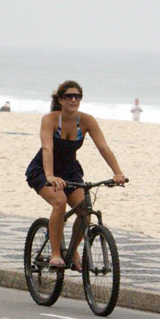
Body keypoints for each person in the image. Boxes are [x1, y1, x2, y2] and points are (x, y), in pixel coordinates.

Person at [25, 80, 125, 271]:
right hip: (43, 169)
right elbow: (47, 148)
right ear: (61, 99)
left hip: (70, 171)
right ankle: (55, 253)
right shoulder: (51, 119)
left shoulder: (87, 121)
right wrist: (50, 176)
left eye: (77, 96)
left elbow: (103, 147)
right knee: (59, 201)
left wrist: (117, 172)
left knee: (85, 211)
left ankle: (72, 251)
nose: (73, 100)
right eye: (69, 96)